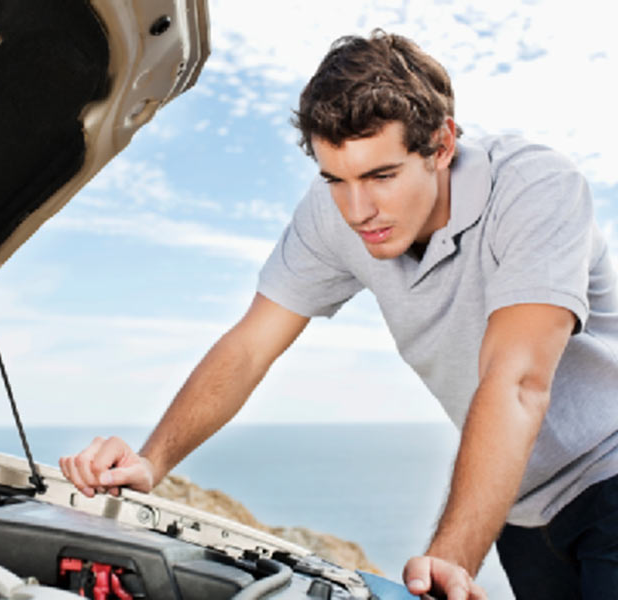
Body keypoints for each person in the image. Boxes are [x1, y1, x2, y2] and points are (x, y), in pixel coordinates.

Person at [59, 30, 618, 600]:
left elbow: (518, 383)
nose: (358, 210)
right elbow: (250, 345)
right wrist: (152, 462)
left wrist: (449, 558)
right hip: (521, 511)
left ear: (442, 144)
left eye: (381, 176)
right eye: (335, 180)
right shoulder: (335, 216)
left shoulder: (535, 189)